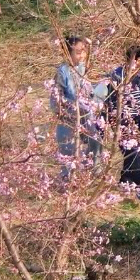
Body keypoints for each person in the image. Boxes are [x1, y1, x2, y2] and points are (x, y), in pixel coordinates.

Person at [105, 45, 140, 202]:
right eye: (139, 59)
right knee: (135, 151)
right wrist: (112, 121)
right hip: (122, 119)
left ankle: (125, 180)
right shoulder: (117, 75)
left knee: (133, 152)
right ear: (131, 60)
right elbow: (110, 100)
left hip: (138, 119)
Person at [51, 36, 102, 176]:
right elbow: (56, 100)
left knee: (96, 140)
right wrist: (72, 108)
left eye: (84, 51)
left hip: (85, 116)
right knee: (68, 153)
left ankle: (91, 171)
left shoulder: (81, 68)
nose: (82, 55)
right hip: (68, 118)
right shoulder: (62, 72)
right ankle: (68, 180)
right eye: (78, 52)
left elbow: (88, 90)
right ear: (68, 53)